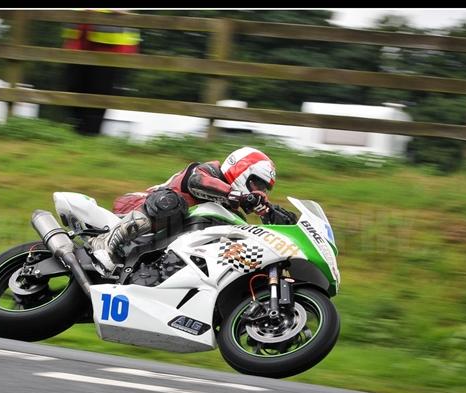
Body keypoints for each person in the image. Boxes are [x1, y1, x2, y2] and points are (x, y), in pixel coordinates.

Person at [88, 147, 298, 272]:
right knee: (172, 203)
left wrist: (268, 212)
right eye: (256, 184)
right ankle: (107, 240)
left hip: (167, 240)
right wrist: (239, 195)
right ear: (241, 170)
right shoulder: (207, 171)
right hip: (140, 206)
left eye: (263, 189)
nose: (257, 191)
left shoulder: (232, 212)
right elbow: (197, 182)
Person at [62, 11, 140, 135]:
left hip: (110, 44)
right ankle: (79, 128)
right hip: (79, 39)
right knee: (73, 85)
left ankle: (90, 133)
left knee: (100, 90)